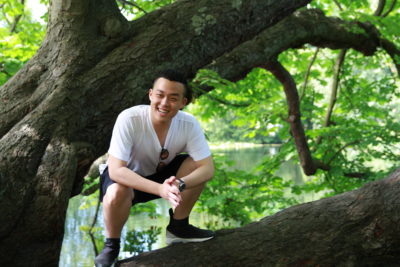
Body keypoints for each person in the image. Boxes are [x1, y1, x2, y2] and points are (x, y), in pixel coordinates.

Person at [94, 70, 215, 266]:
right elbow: (116, 170)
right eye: (160, 95)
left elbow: (207, 168)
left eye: (173, 98)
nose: (165, 103)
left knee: (195, 165)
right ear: (150, 94)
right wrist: (160, 189)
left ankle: (179, 227)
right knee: (117, 190)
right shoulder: (129, 118)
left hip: (163, 178)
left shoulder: (189, 124)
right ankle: (111, 245)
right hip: (127, 179)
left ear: (183, 102)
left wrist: (180, 184)